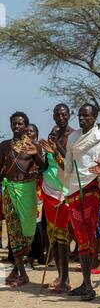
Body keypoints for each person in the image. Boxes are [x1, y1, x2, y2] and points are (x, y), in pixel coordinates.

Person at [41, 104, 100, 301]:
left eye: (87, 115)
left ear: (94, 117)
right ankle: (85, 284)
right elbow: (67, 167)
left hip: (91, 189)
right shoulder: (73, 139)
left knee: (88, 237)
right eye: (81, 115)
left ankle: (89, 285)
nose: (82, 118)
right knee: (81, 237)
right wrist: (55, 153)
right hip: (73, 191)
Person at [0, 112, 46, 287]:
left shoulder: (33, 145)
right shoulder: (4, 146)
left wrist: (36, 153)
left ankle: (15, 269)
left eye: (20, 124)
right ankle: (23, 274)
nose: (17, 126)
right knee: (13, 230)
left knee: (28, 231)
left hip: (28, 191)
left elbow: (43, 166)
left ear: (26, 126)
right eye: (14, 123)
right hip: (10, 191)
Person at [41, 104, 74, 293]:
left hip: (65, 189)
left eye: (63, 114)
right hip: (49, 188)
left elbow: (70, 162)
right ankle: (60, 275)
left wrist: (57, 147)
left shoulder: (73, 135)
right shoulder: (53, 133)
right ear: (53, 116)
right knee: (52, 235)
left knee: (63, 237)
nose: (60, 117)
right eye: (57, 114)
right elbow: (47, 162)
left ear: (69, 115)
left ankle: (66, 279)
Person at [26, 124, 45, 268]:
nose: (28, 133)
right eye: (27, 131)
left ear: (36, 134)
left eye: (31, 131)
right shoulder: (19, 147)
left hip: (37, 190)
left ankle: (33, 257)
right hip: (22, 189)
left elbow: (44, 167)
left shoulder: (39, 148)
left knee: (35, 223)